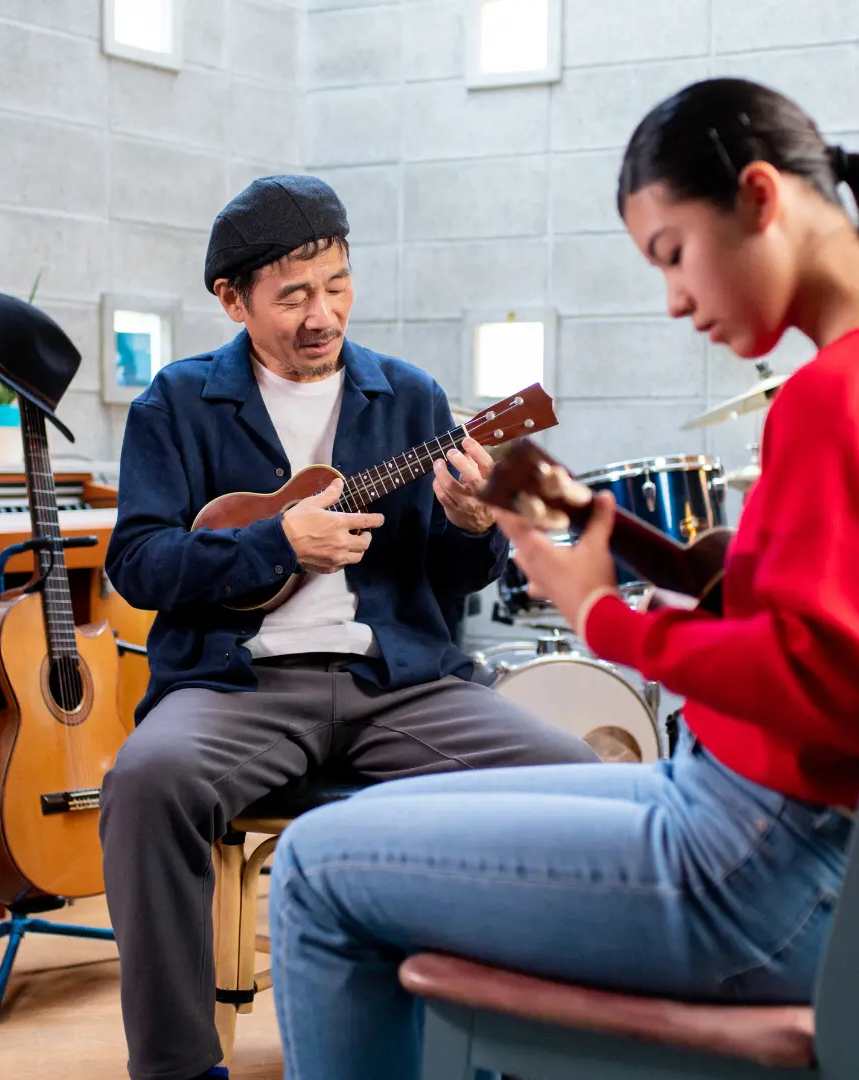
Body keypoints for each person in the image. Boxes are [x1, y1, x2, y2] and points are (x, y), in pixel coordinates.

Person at [266, 78, 859, 1079]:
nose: (673, 298)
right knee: (354, 833)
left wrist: (600, 611)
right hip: (822, 856)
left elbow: (854, 686)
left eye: (673, 254)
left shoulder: (841, 397)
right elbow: (836, 626)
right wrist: (613, 537)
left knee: (315, 868)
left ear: (760, 197)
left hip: (761, 876)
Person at [100, 174, 600, 1080]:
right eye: (292, 296)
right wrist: (274, 543)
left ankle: (524, 1051)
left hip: (397, 682)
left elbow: (454, 583)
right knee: (146, 781)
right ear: (232, 300)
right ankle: (178, 1069)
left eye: (336, 285)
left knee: (577, 782)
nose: (321, 314)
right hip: (237, 684)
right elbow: (137, 566)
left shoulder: (408, 398)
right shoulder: (174, 404)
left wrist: (471, 524)